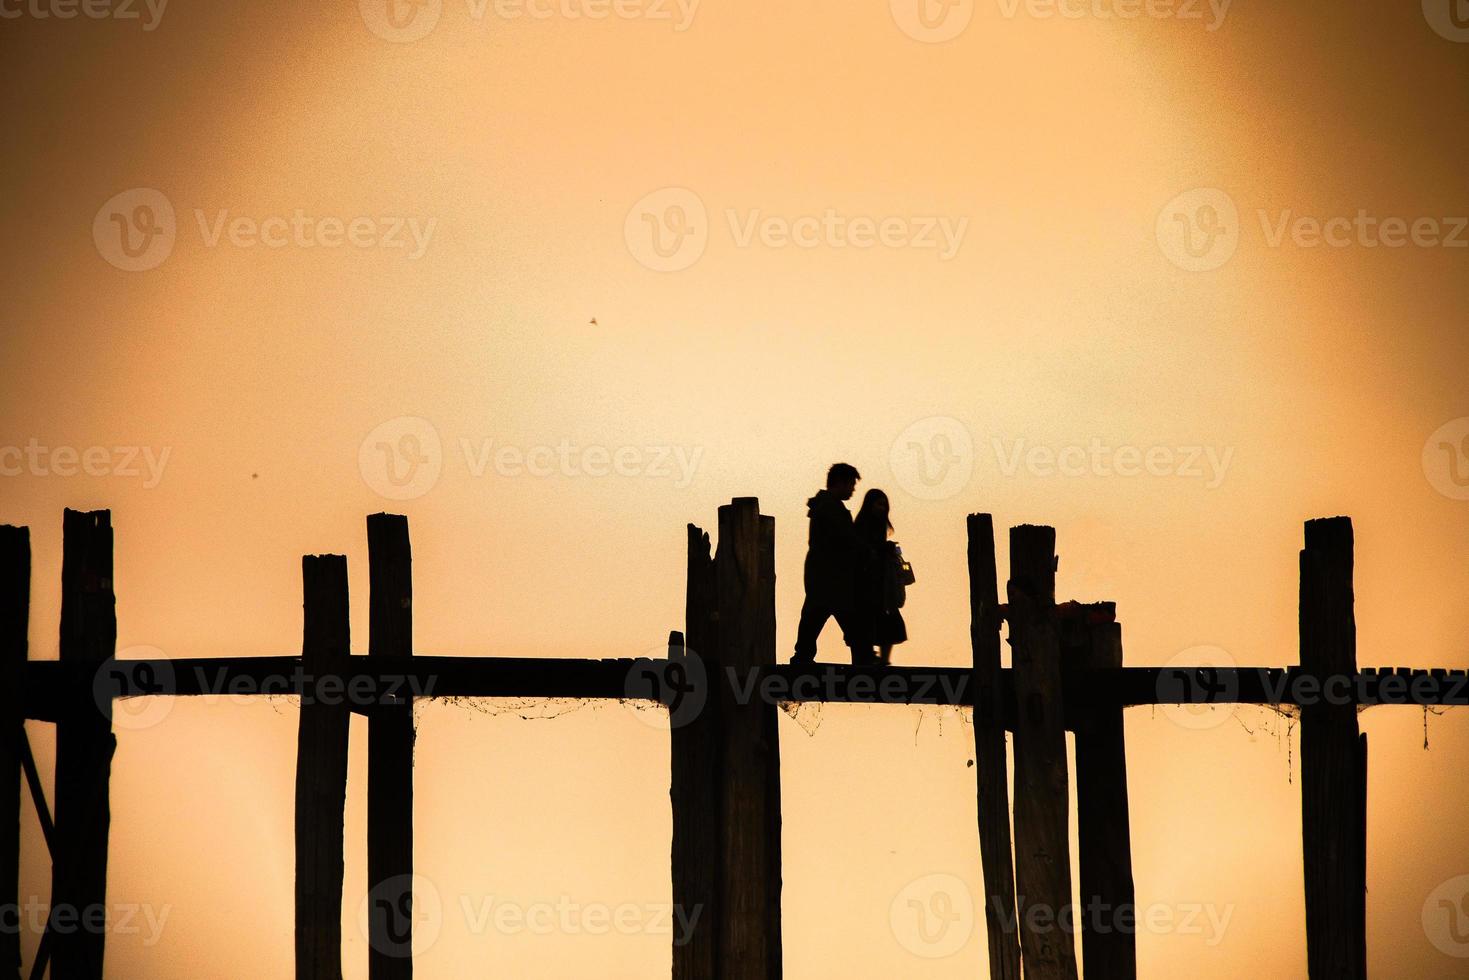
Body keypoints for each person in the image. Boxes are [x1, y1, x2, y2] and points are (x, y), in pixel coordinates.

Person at [792, 463, 874, 665]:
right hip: (834, 578)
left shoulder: (823, 506)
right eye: (851, 484)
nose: (853, 490)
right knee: (853, 623)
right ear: (841, 482)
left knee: (812, 620)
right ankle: (863, 664)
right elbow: (846, 539)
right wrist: (868, 551)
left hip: (822, 577)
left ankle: (802, 659)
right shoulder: (831, 508)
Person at [852, 488, 908, 665]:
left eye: (884, 505)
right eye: (879, 504)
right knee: (871, 622)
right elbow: (863, 551)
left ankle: (883, 660)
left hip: (882, 583)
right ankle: (872, 659)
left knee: (886, 622)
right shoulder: (862, 525)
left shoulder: (877, 525)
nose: (882, 508)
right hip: (869, 583)